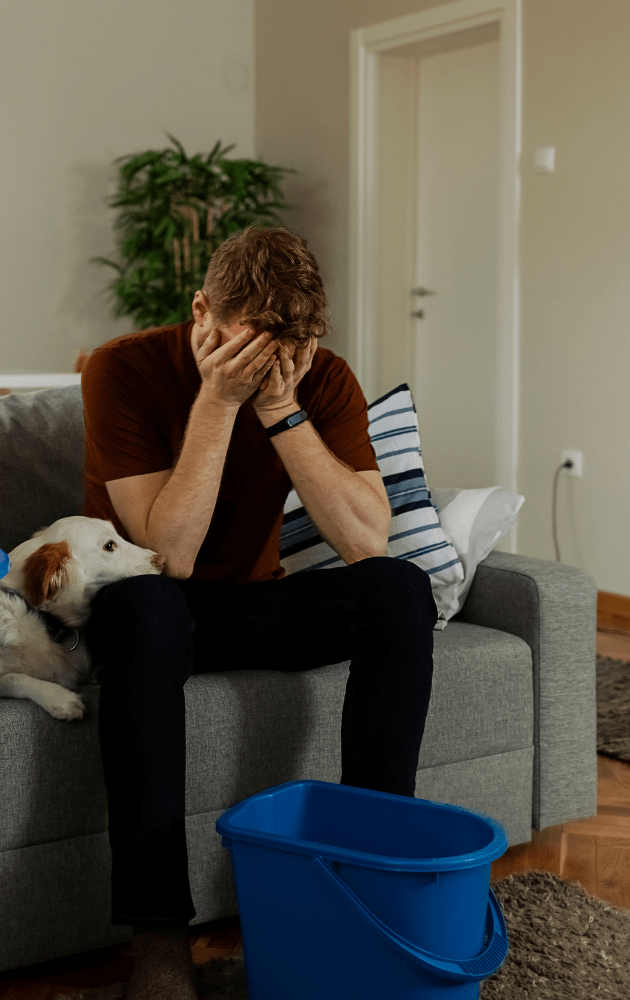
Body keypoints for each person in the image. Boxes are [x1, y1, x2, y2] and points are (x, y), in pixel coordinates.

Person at [81, 225, 438, 1000]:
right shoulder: (125, 368)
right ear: (204, 312)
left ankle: (367, 882)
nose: (275, 366)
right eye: (255, 348)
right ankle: (160, 941)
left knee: (399, 588)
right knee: (145, 603)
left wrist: (282, 409)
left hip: (252, 606)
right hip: (146, 608)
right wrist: (220, 398)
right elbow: (167, 556)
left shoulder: (321, 377)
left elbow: (365, 540)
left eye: (292, 350)